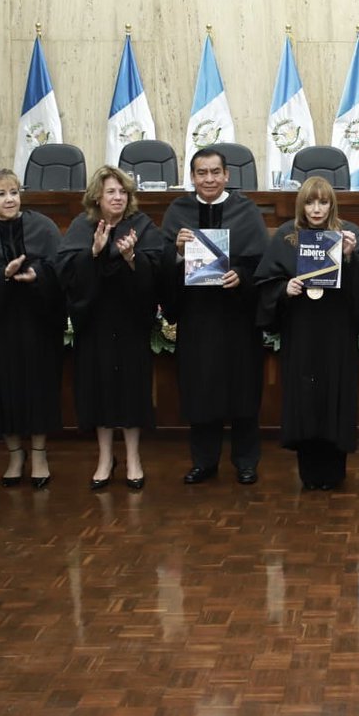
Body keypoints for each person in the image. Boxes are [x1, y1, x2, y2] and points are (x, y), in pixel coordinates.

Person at [254, 177, 359, 490]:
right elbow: (266, 283)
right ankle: (309, 472)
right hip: (302, 331)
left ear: (332, 204)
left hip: (337, 332)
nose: (317, 209)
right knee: (305, 399)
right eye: (310, 202)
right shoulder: (286, 236)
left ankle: (334, 471)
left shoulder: (349, 233)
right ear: (301, 205)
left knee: (336, 396)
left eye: (323, 202)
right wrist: (285, 289)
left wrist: (349, 257)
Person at [160, 147, 269, 486]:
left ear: (227, 176)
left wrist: (242, 277)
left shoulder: (246, 211)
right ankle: (204, 461)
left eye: (215, 172)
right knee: (201, 390)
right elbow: (160, 265)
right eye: (201, 173)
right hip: (197, 319)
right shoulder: (177, 212)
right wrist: (178, 254)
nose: (209, 179)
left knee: (243, 391)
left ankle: (246, 462)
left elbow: (262, 265)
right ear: (192, 177)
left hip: (238, 319)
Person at [0, 169, 66, 489]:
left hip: (36, 323)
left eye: (14, 192)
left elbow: (61, 270)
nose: (9, 199)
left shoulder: (42, 226)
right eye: (1, 194)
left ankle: (40, 455)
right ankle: (15, 455)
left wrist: (37, 275)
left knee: (38, 389)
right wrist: (1, 276)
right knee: (0, 390)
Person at [57, 166, 163, 490]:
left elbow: (157, 271)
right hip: (96, 323)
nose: (118, 198)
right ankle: (105, 458)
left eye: (123, 192)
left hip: (130, 323)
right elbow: (65, 272)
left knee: (131, 390)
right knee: (99, 390)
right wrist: (93, 253)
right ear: (97, 198)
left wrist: (132, 259)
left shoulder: (142, 226)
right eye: (111, 192)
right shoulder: (82, 226)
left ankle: (133, 458)